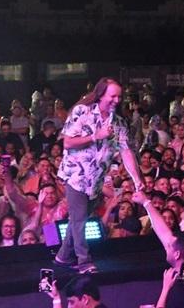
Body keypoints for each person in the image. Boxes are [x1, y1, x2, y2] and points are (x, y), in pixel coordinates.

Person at [54, 77, 142, 274]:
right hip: (76, 175)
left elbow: (126, 152)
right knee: (79, 220)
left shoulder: (118, 123)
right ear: (101, 94)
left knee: (80, 218)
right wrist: (96, 136)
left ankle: (62, 257)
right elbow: (67, 142)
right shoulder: (82, 112)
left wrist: (136, 179)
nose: (117, 100)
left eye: (119, 97)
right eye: (113, 96)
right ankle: (84, 261)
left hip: (96, 180)